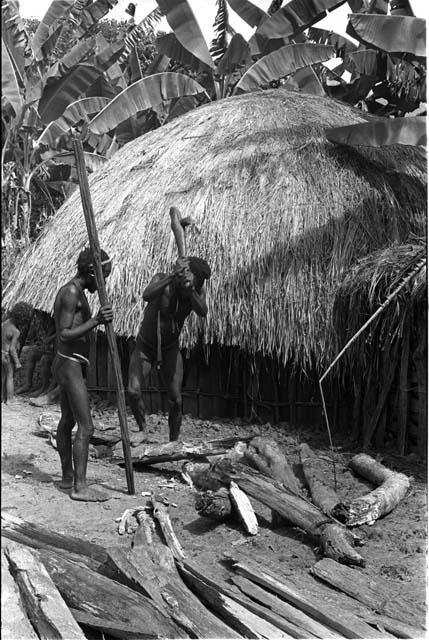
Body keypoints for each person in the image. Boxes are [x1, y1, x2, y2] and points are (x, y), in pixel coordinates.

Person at [128, 256, 211, 442]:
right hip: (145, 346)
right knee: (133, 391)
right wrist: (172, 276)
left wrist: (190, 292)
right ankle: (142, 430)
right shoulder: (162, 280)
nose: (198, 284)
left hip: (170, 349)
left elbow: (203, 312)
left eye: (199, 282)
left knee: (176, 400)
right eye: (197, 280)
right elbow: (146, 295)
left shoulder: (196, 291)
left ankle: (173, 442)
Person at [52, 247, 113, 502]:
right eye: (104, 275)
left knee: (68, 422)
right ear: (91, 271)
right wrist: (95, 321)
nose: (104, 282)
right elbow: (63, 334)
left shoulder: (77, 292)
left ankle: (68, 477)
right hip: (69, 364)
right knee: (86, 427)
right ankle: (80, 487)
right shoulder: (71, 292)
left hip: (71, 363)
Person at [16, 315, 57, 396]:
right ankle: (28, 384)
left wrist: (56, 335)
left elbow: (47, 340)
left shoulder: (61, 320)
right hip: (52, 349)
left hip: (61, 353)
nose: (40, 314)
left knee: (45, 359)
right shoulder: (50, 321)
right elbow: (46, 340)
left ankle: (44, 387)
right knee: (32, 352)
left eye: (41, 313)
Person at [1, 302, 33, 403]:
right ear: (23, 319)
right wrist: (17, 362)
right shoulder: (16, 331)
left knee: (3, 376)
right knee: (10, 377)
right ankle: (10, 400)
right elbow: (12, 349)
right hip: (7, 356)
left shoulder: (4, 324)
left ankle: (3, 397)